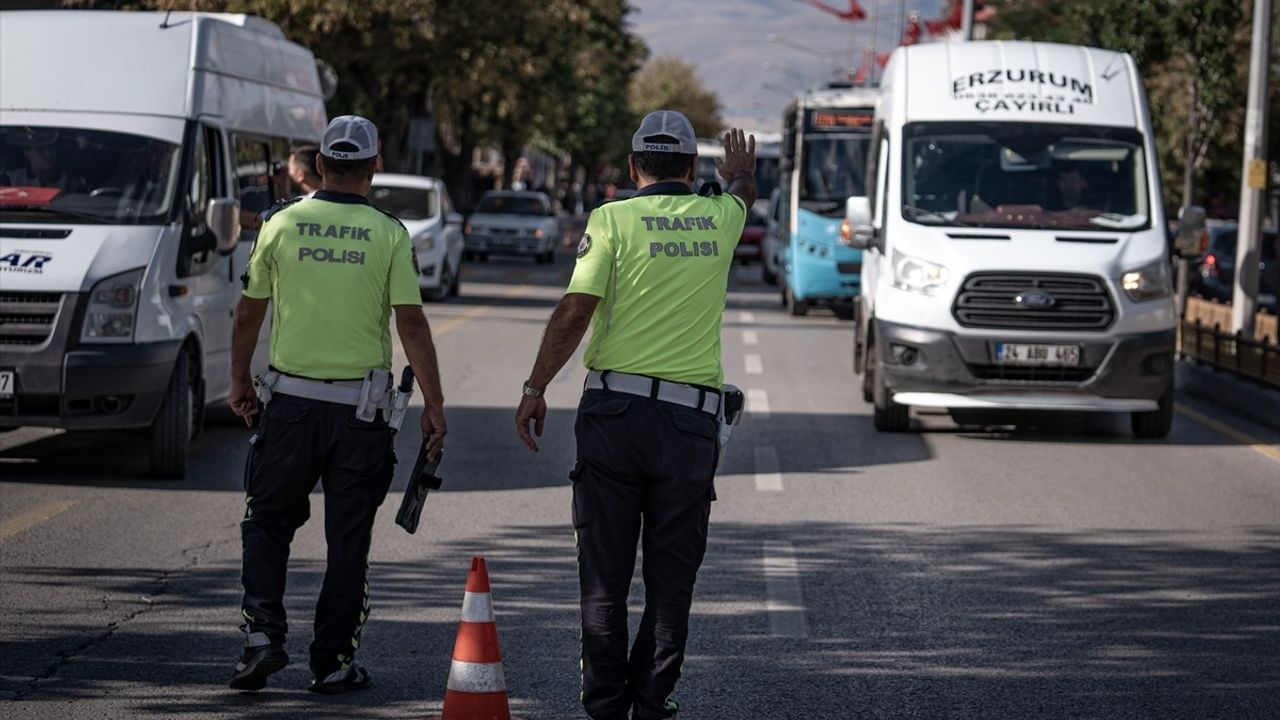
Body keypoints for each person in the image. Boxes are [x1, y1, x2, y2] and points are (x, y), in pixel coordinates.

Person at [514, 110, 757, 720]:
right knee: (671, 579)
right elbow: (743, 197)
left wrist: (536, 386)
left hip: (614, 416)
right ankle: (652, 702)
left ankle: (604, 705)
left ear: (632, 166)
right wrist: (740, 174)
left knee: (604, 575)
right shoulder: (721, 219)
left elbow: (575, 310)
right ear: (694, 167)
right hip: (689, 425)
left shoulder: (612, 219)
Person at [226, 115, 447, 695]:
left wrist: (239, 383)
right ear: (373, 170)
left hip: (290, 407)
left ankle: (262, 638)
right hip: (361, 415)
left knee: (267, 523)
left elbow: (249, 311)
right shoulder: (389, 234)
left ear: (320, 166)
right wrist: (435, 404)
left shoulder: (280, 223)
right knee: (349, 540)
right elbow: (412, 324)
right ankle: (332, 662)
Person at [1, 129, 86, 193]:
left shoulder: (72, 183)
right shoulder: (10, 180)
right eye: (40, 149)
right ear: (27, 153)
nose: (49, 153)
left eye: (51, 147)